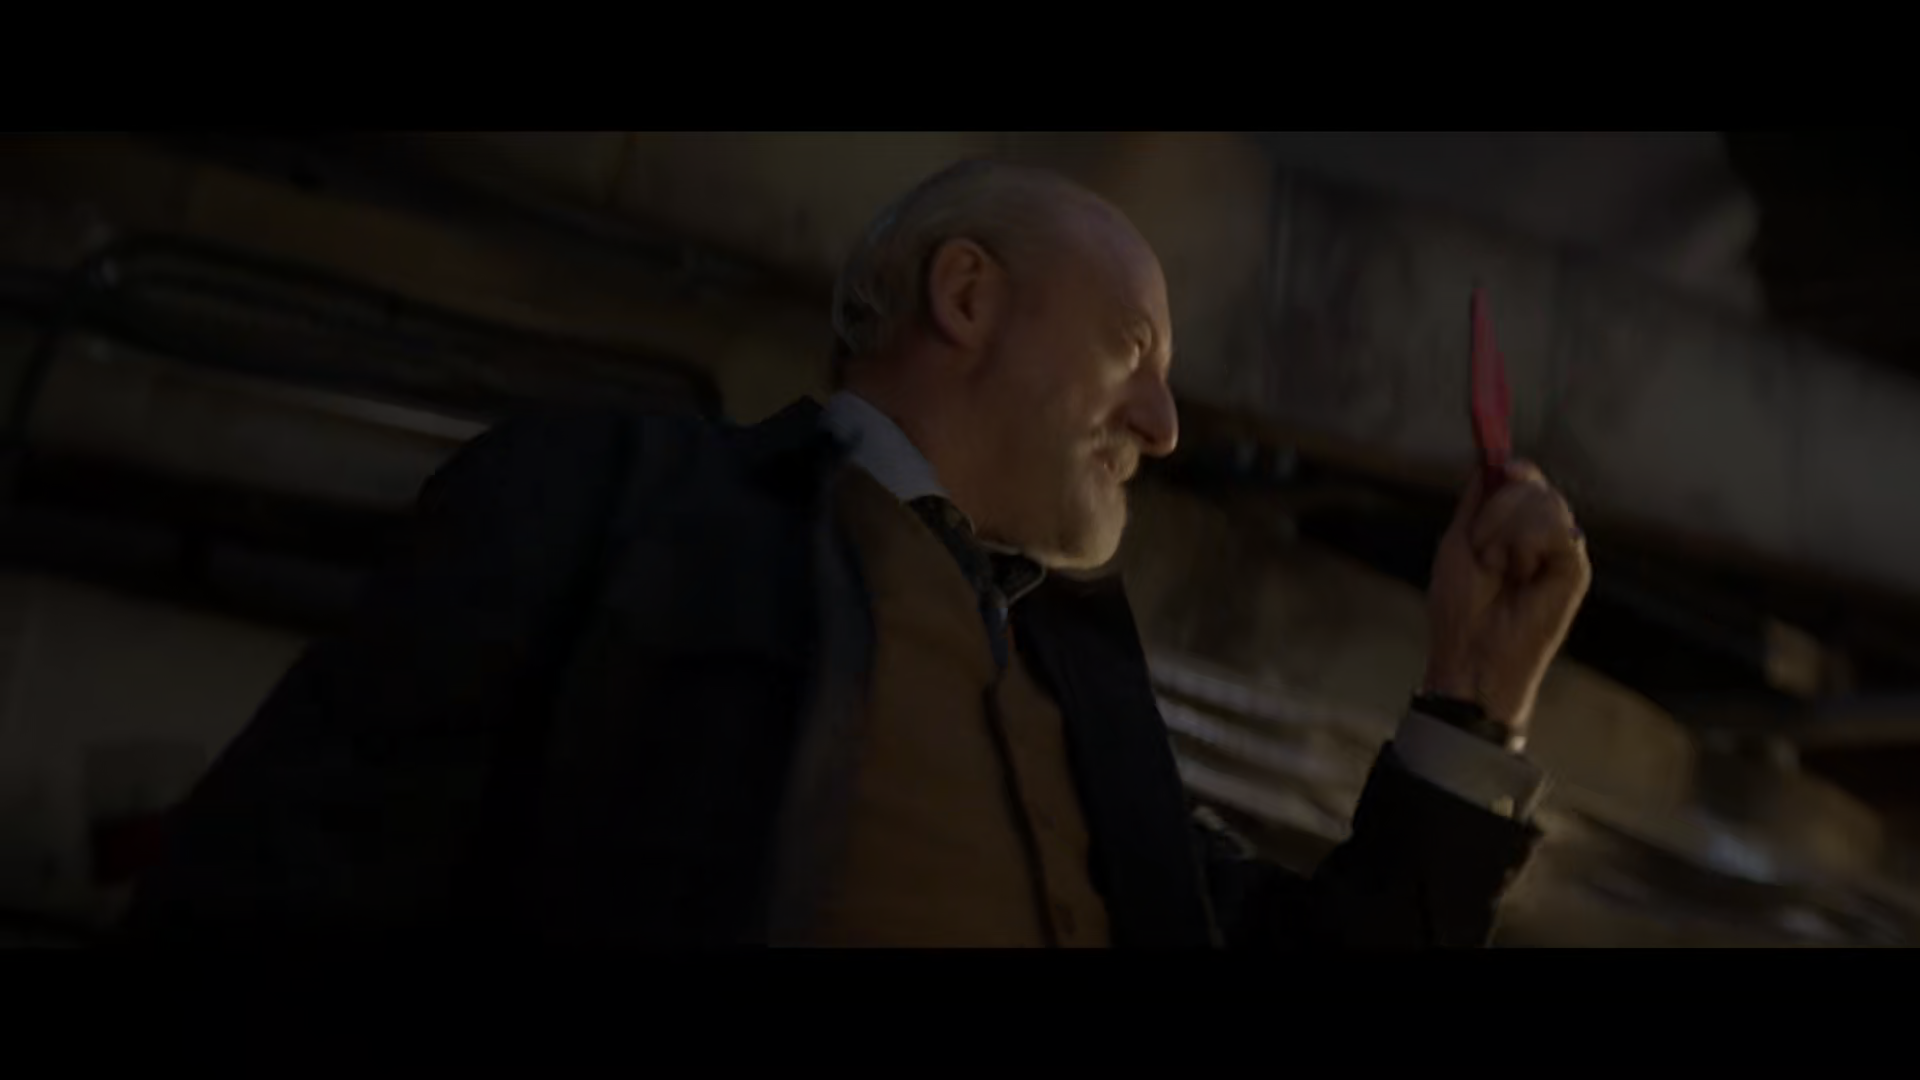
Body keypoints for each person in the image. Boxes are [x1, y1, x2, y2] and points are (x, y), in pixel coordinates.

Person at [127, 160, 1591, 947]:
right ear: (968, 298)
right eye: (1134, 350)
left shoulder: (1088, 710)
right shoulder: (610, 503)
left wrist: (1475, 694)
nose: (1161, 424)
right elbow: (272, 882)